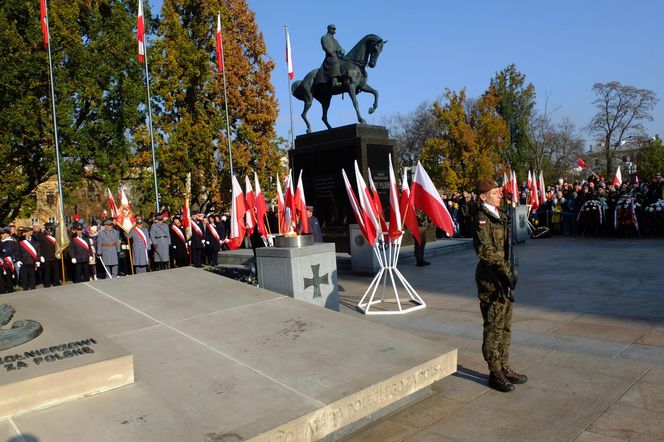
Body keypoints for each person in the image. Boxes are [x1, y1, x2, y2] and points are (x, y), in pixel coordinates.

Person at [473, 179, 527, 393]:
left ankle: (504, 365)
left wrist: (513, 269)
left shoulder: (500, 215)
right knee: (493, 327)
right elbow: (486, 252)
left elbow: (506, 249)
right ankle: (494, 371)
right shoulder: (481, 219)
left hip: (504, 278)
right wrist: (506, 273)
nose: (499, 195)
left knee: (505, 325)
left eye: (499, 191)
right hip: (491, 280)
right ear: (483, 197)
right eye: (495, 192)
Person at [318, 24, 345, 88]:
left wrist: (342, 51)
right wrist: (330, 52)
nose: (334, 30)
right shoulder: (324, 37)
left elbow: (340, 48)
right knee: (334, 61)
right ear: (329, 29)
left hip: (337, 56)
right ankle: (334, 82)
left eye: (335, 29)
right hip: (330, 57)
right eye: (333, 29)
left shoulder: (335, 41)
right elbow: (325, 47)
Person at [1, 226, 16, 292]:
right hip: (2, 262)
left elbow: (7, 252)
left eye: (3, 234)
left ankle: (10, 289)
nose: (1, 235)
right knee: (2, 278)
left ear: (7, 234)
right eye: (1, 234)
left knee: (8, 277)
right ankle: (3, 289)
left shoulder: (10, 241)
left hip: (7, 262)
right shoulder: (2, 241)